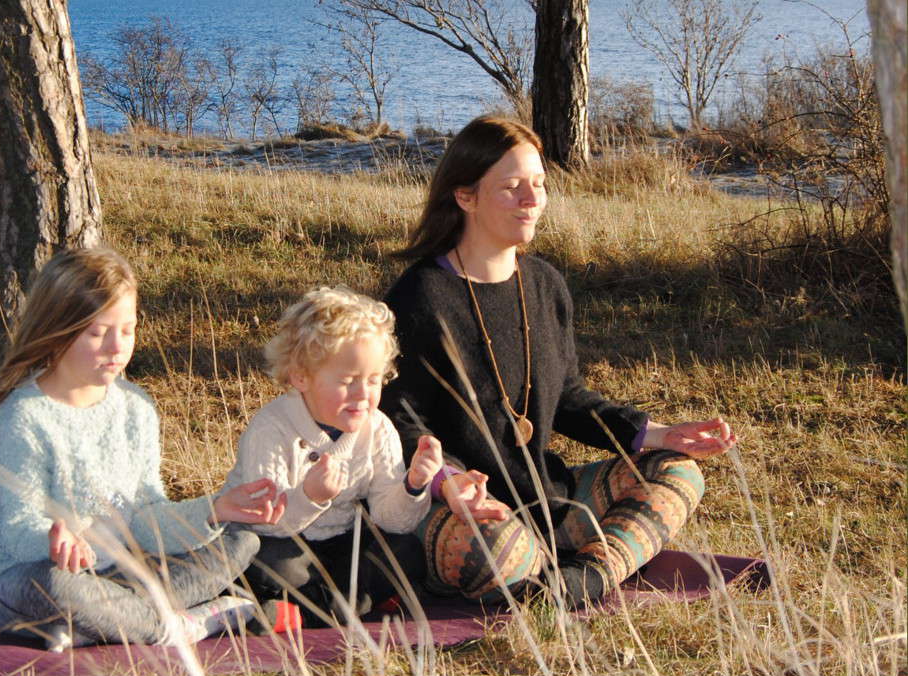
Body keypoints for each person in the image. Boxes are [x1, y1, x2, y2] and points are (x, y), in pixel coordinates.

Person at [380, 115, 738, 608]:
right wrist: (449, 481)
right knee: (502, 552)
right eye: (511, 187)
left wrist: (654, 434)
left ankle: (589, 573)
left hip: (546, 497)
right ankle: (553, 569)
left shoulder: (545, 284)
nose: (532, 200)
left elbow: (566, 395)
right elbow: (394, 421)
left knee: (678, 471)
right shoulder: (419, 297)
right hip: (461, 508)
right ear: (465, 197)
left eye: (539, 184)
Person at [0, 246, 287, 652]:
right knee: (54, 586)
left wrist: (215, 509)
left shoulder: (136, 408)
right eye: (98, 333)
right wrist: (56, 541)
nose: (117, 348)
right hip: (27, 581)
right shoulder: (23, 419)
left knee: (242, 540)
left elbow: (147, 521)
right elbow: (17, 533)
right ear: (58, 328)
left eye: (128, 330)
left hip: (124, 572)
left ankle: (100, 625)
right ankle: (176, 627)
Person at [225, 287, 506, 627]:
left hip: (342, 542)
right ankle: (352, 604)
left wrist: (414, 485)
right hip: (280, 541)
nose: (363, 395)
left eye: (374, 380)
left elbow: (391, 519)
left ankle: (298, 614)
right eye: (348, 381)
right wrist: (309, 497)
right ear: (301, 376)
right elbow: (262, 520)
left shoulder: (378, 428)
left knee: (406, 554)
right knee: (266, 564)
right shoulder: (271, 429)